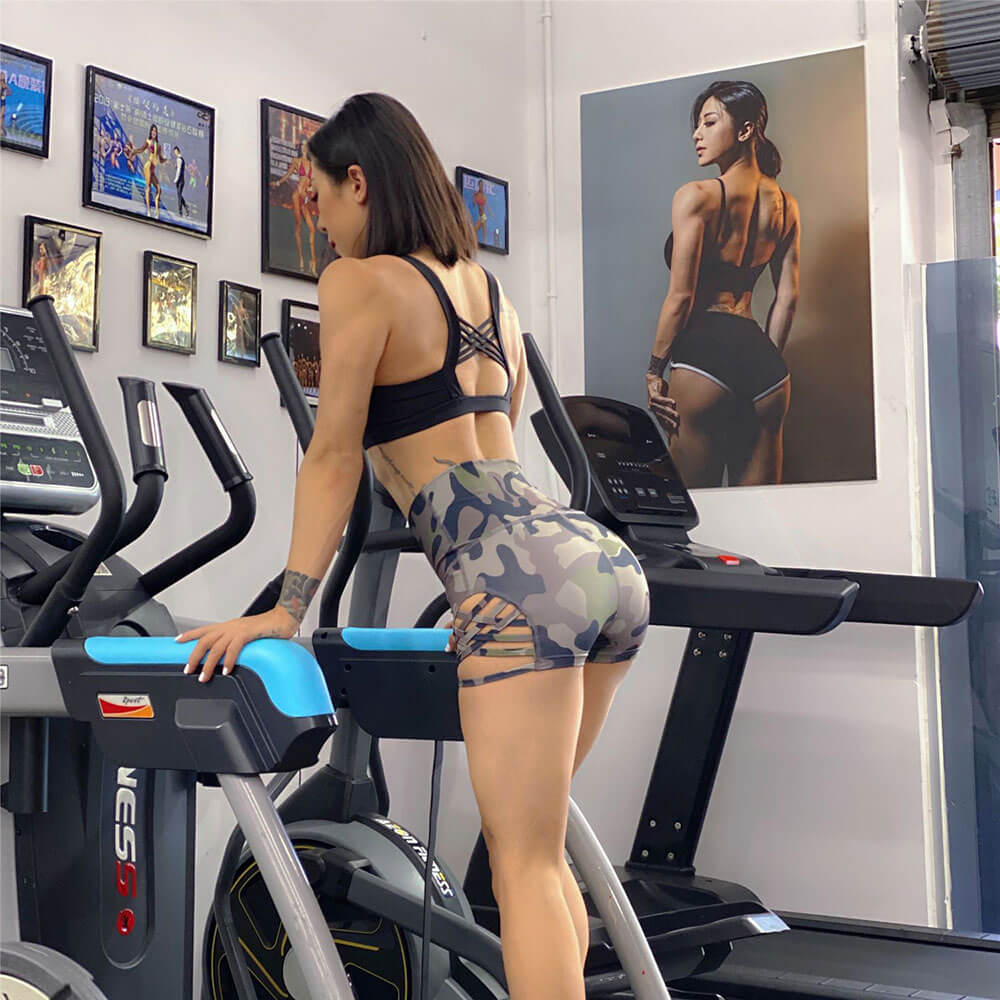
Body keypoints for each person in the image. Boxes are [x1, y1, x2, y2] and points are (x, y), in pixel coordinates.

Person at [177, 92, 650, 999]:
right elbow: (494, 450)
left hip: (522, 588)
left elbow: (333, 451)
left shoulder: (362, 284)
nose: (316, 222)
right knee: (543, 858)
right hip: (597, 563)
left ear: (359, 181)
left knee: (522, 869)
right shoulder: (490, 295)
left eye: (320, 198)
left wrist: (286, 606)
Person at [647, 80, 800, 487]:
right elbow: (787, 298)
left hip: (703, 359)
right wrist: (761, 360)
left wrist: (654, 370)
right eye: (696, 125)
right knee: (764, 521)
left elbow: (680, 298)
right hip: (766, 370)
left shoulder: (696, 196)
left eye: (709, 123)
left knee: (696, 518)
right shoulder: (786, 207)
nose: (697, 135)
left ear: (746, 130)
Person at [271, 137, 319, 274]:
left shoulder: (312, 165)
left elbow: (314, 183)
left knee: (312, 229)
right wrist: (278, 183)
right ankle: (301, 262)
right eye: (302, 145)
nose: (304, 148)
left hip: (306, 197)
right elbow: (287, 175)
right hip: (297, 195)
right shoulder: (296, 162)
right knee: (298, 226)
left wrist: (311, 190)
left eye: (306, 146)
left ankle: (313, 263)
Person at [132, 123, 169, 219]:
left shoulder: (159, 145)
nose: (154, 132)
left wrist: (167, 160)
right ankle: (148, 211)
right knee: (148, 187)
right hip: (148, 166)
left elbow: (160, 159)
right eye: (152, 131)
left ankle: (156, 212)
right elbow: (141, 149)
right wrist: (134, 151)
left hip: (153, 168)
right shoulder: (148, 141)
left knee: (159, 189)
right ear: (150, 132)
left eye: (155, 131)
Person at [172, 144, 189, 217]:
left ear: (177, 151)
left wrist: (176, 179)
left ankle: (180, 212)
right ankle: (186, 207)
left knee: (179, 195)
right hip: (181, 179)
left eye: (175, 151)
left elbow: (179, 171)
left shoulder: (179, 159)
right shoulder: (181, 159)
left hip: (180, 180)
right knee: (179, 195)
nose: (175, 153)